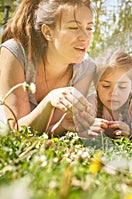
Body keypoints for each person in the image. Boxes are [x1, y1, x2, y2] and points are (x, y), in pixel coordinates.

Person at [0, 0, 96, 136]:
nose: (85, 37)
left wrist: (63, 125)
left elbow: (46, 131)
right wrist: (49, 100)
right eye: (74, 28)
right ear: (47, 32)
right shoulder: (15, 52)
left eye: (89, 28)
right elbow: (17, 131)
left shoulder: (86, 68)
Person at [84, 48, 132, 139]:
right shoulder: (91, 103)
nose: (113, 93)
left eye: (122, 87)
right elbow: (78, 129)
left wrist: (131, 133)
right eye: (106, 86)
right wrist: (89, 128)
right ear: (96, 85)